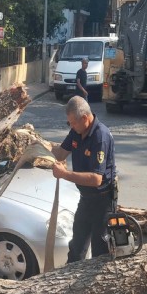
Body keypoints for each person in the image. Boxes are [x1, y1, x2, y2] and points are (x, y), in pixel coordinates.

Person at [51, 96, 116, 262]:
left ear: (85, 118)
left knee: (100, 251)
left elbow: (96, 179)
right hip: (86, 199)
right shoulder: (77, 131)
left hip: (102, 201)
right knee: (77, 247)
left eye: (73, 123)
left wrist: (64, 174)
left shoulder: (100, 137)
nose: (71, 127)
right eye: (69, 123)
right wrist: (37, 146)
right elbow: (60, 153)